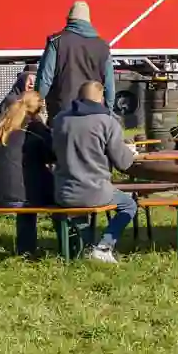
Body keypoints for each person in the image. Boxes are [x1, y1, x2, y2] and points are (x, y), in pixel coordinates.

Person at [51, 80, 140, 263]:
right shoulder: (107, 122)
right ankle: (104, 246)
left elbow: (52, 152)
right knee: (129, 204)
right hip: (96, 190)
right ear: (101, 99)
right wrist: (130, 152)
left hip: (63, 191)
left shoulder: (60, 120)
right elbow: (123, 163)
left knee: (77, 211)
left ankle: (84, 247)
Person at [0, 88, 53, 257]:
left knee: (25, 184)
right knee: (59, 193)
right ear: (39, 111)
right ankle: (66, 244)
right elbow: (52, 155)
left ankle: (26, 249)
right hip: (20, 197)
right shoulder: (36, 129)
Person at [36, 1, 115, 119]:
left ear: (69, 19)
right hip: (94, 113)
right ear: (88, 21)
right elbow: (109, 84)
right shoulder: (102, 46)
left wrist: (35, 106)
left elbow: (45, 79)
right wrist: (108, 111)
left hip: (62, 112)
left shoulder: (57, 42)